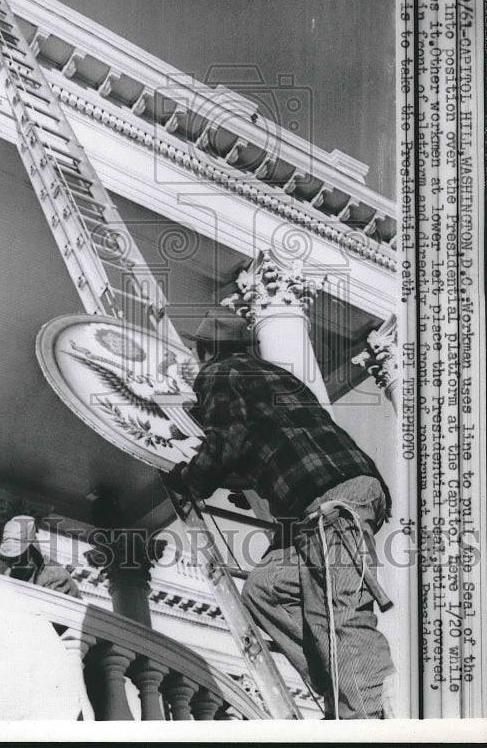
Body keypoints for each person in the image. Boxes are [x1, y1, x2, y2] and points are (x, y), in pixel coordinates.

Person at [167, 307, 397, 720]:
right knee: (266, 587)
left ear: (206, 350)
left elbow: (227, 439)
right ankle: (344, 692)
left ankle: (372, 720)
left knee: (342, 609)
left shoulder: (218, 373)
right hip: (333, 495)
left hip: (329, 499)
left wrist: (188, 478)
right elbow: (265, 438)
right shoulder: (270, 374)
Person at [0, 515, 80, 597]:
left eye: (19, 559)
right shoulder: (4, 567)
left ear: (33, 551)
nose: (12, 566)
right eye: (9, 560)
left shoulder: (56, 577)